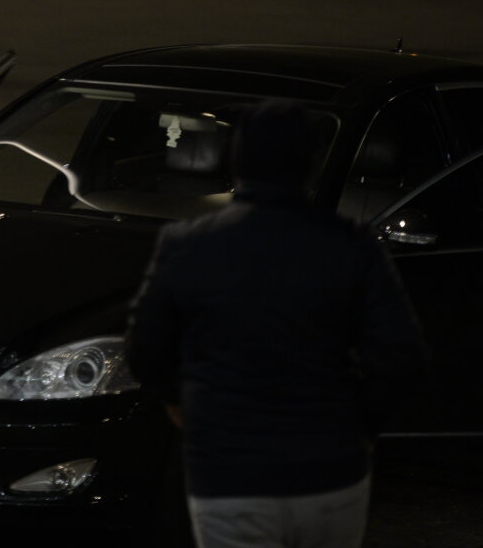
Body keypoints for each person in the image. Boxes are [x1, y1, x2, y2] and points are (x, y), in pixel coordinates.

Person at [125, 100, 427, 548]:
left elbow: (146, 350)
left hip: (230, 474)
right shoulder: (352, 246)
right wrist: (361, 428)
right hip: (331, 470)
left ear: (237, 162)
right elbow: (402, 357)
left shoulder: (188, 244)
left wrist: (178, 401)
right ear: (309, 165)